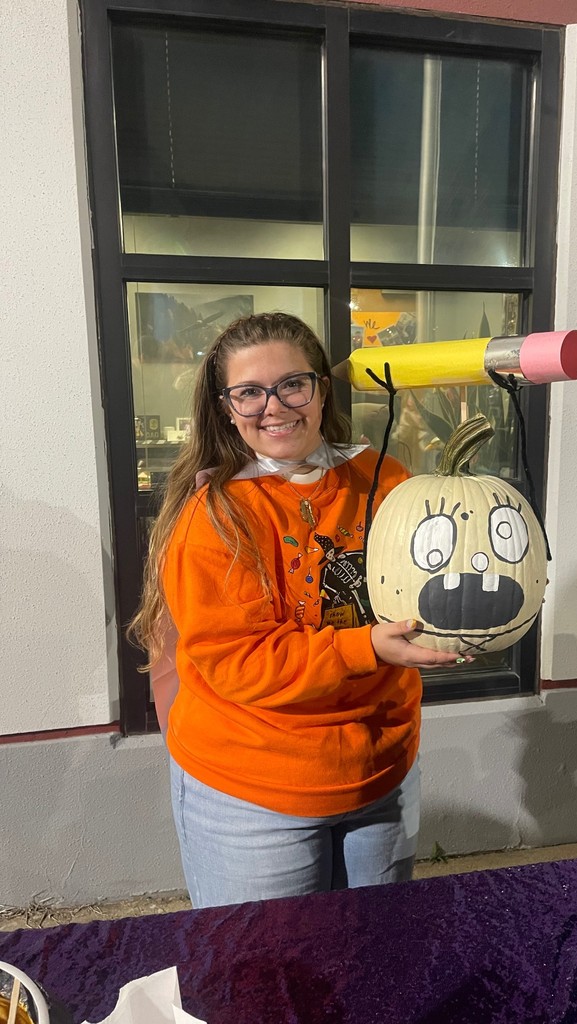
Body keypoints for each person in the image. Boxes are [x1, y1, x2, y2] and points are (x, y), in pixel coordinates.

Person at [129, 311, 467, 908]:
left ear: (320, 389)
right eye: (249, 392)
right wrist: (366, 646)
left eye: (292, 384)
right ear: (226, 406)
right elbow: (241, 663)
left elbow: (425, 581)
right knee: (267, 980)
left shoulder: (385, 479)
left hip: (381, 768)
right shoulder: (217, 517)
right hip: (255, 787)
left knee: (371, 964)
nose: (274, 406)